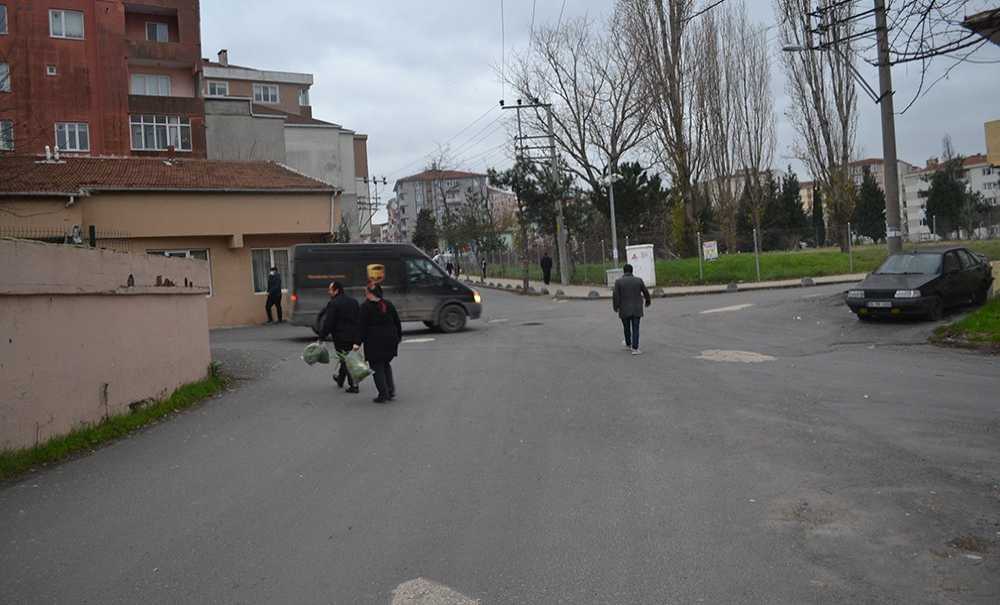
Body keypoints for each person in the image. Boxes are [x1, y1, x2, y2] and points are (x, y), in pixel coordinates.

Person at [358, 283, 402, 403]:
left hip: (374, 341)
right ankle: (390, 391)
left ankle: (383, 394)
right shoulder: (388, 304)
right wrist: (398, 337)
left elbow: (361, 327)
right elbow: (397, 321)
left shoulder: (365, 307)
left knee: (377, 366)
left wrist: (357, 343)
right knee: (385, 364)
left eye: (366, 292)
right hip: (390, 339)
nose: (365, 294)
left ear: (370, 293)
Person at [317, 281, 361, 394]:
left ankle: (354, 385)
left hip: (341, 337)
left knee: (346, 359)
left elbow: (329, 322)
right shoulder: (354, 302)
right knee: (345, 358)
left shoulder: (333, 303)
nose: (328, 292)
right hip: (354, 335)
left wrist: (321, 337)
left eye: (330, 290)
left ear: (336, 290)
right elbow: (359, 320)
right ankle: (340, 379)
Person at [612, 263, 651, 355]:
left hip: (624, 308)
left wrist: (616, 307)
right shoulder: (639, 280)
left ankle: (628, 343)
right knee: (635, 328)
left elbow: (615, 296)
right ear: (632, 271)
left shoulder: (618, 282)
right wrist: (648, 301)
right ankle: (635, 348)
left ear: (624, 271)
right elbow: (645, 292)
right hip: (637, 308)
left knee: (626, 327)